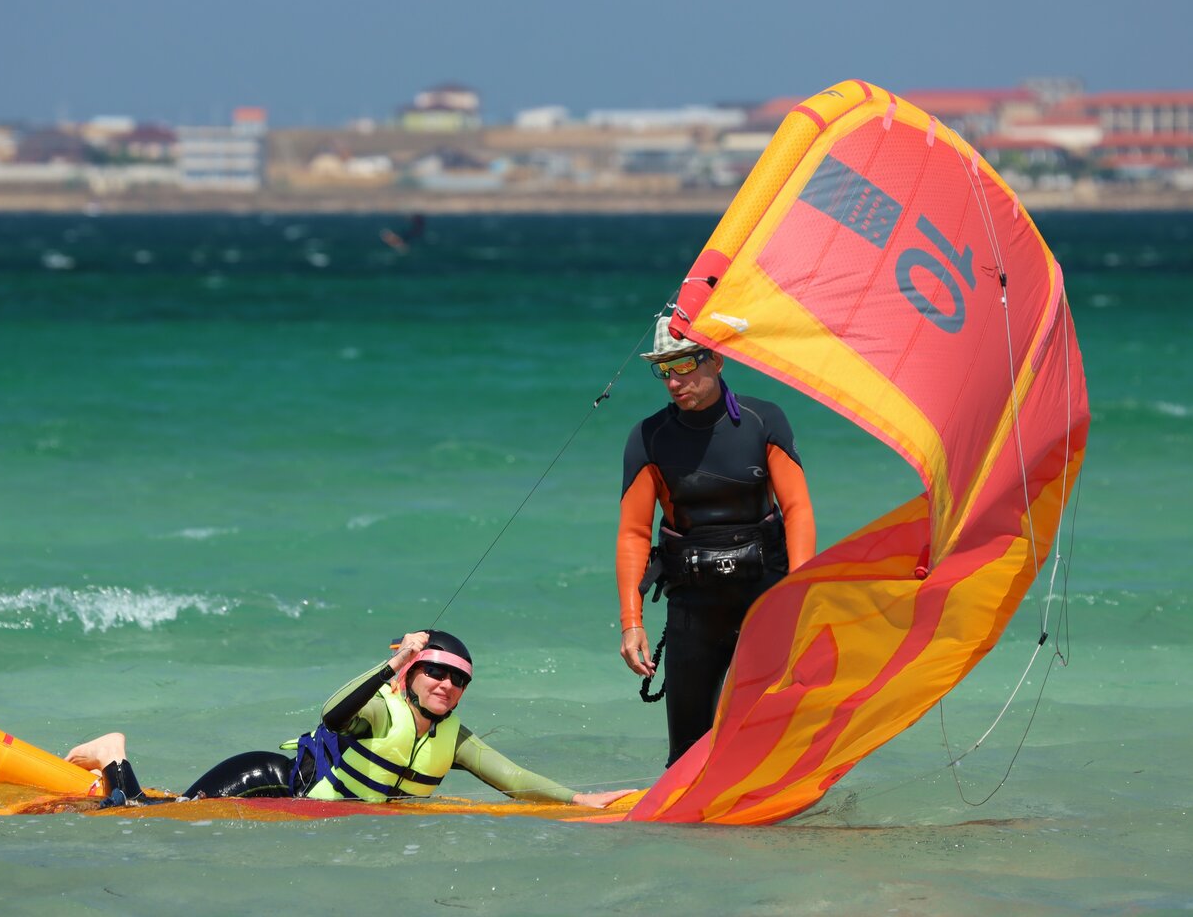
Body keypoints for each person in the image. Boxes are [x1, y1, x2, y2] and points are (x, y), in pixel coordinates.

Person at [67, 630, 633, 809]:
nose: (447, 685)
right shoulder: (379, 711)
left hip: (303, 810)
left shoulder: (452, 738)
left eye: (459, 679)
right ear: (411, 673)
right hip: (267, 778)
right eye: (434, 671)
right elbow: (332, 713)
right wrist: (393, 660)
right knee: (139, 820)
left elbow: (514, 780)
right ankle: (114, 751)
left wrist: (581, 800)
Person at [617, 315, 816, 767]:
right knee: (686, 753)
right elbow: (633, 533)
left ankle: (782, 823)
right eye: (664, 370)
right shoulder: (649, 437)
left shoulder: (763, 420)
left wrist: (802, 592)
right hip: (694, 605)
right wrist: (632, 622)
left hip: (766, 594)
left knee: (773, 736)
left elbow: (798, 508)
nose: (673, 381)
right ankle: (692, 836)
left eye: (684, 365)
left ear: (717, 359)